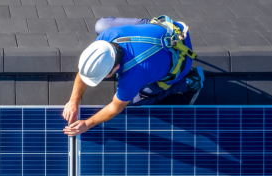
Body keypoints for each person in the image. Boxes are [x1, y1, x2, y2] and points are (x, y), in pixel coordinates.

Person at [63, 16, 205, 137]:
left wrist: (88, 123)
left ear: (117, 68)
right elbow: (86, 71)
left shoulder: (132, 77)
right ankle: (148, 28)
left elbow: (115, 108)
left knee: (137, 100)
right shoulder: (106, 37)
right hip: (169, 29)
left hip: (181, 59)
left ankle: (188, 82)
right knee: (101, 24)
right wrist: (73, 101)